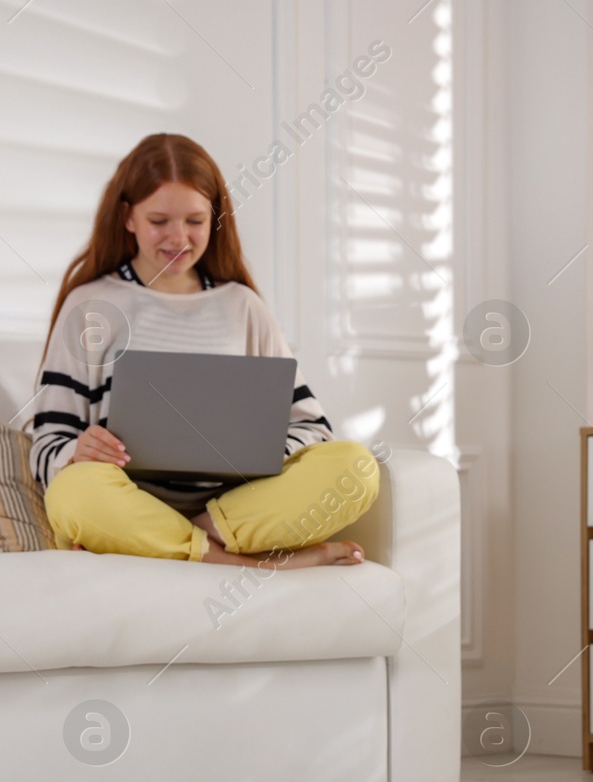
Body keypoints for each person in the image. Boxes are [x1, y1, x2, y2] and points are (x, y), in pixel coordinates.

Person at [30, 133, 379, 568]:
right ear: (128, 217)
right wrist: (78, 451)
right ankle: (251, 564)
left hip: (229, 511)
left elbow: (316, 431)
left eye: (195, 221)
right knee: (74, 494)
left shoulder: (243, 307)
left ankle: (184, 543)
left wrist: (265, 447)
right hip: (124, 501)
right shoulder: (89, 305)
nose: (179, 238)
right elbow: (46, 444)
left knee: (356, 469)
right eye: (159, 220)